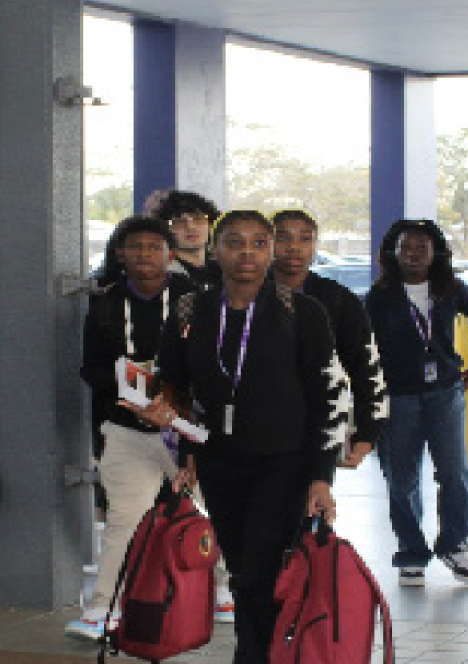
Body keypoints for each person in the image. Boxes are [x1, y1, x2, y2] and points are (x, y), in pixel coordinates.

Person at [128, 210, 348, 664]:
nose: (246, 252)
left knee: (262, 570)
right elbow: (177, 385)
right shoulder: (192, 310)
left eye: (257, 243)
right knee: (244, 566)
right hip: (219, 462)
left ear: (269, 252)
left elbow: (328, 397)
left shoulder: (302, 312)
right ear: (216, 250)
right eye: (234, 242)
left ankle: (256, 655)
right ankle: (263, 651)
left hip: (284, 462)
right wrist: (170, 425)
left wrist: (321, 477)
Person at [65, 217, 204, 640]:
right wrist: (136, 398)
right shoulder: (104, 303)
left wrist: (171, 402)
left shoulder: (196, 300)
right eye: (135, 247)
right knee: (124, 521)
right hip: (126, 428)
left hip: (188, 431)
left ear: (171, 255)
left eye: (153, 247)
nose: (144, 254)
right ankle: (101, 611)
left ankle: (222, 594)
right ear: (120, 254)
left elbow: (208, 366)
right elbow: (91, 366)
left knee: (205, 516)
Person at [365, 219, 468, 586]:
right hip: (399, 397)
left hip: (445, 394)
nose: (413, 254)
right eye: (406, 247)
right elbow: (361, 347)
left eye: (421, 247)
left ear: (435, 252)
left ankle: (455, 546)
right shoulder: (379, 296)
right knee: (402, 477)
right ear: (394, 252)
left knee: (454, 473)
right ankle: (411, 551)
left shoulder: (450, 289)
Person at [270, 209, 388, 468]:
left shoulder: (337, 299)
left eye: (305, 239)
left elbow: (366, 367)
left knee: (309, 502)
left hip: (318, 426)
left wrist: (367, 432)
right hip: (256, 428)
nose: (294, 248)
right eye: (283, 238)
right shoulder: (245, 295)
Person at [146, 189, 223, 291]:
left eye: (198, 218)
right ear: (164, 230)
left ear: (211, 224)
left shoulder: (226, 270)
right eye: (178, 221)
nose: (190, 227)